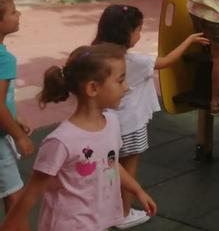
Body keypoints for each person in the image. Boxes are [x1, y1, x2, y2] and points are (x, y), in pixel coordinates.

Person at [0, 44, 157, 231]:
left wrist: (136, 190)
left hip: (98, 221)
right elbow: (32, 193)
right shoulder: (61, 141)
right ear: (92, 88)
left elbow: (110, 163)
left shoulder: (112, 123)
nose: (126, 87)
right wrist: (9, 225)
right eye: (120, 80)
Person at [92, 4, 208, 228]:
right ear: (126, 34)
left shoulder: (97, 57)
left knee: (110, 169)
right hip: (132, 126)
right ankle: (123, 214)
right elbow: (166, 61)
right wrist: (189, 41)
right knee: (129, 170)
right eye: (138, 30)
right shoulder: (135, 61)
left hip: (106, 125)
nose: (140, 34)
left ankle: (106, 208)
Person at [0, 0, 32, 215]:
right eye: (13, 11)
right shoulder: (4, 60)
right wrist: (19, 136)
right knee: (15, 199)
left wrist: (14, 118)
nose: (18, 14)